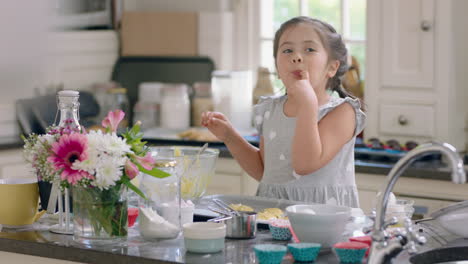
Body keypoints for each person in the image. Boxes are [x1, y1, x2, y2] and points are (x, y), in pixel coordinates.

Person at [201, 16, 366, 208]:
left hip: (322, 220)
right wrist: (230, 136)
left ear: (332, 67)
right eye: (287, 50)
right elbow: (265, 171)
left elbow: (305, 165)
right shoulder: (269, 110)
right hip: (272, 213)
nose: (296, 57)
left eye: (309, 50)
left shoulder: (342, 112)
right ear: (277, 68)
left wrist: (307, 104)